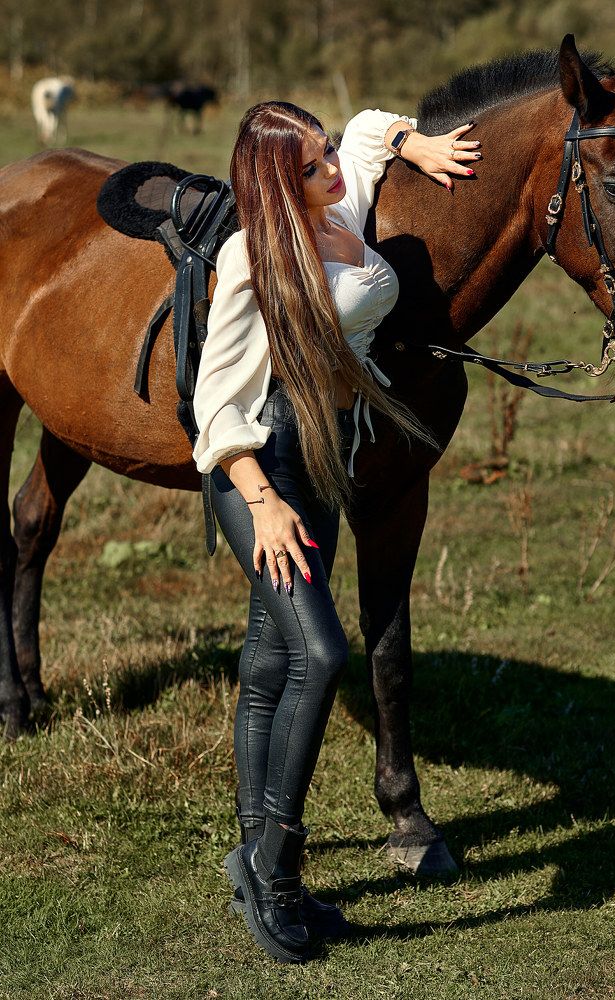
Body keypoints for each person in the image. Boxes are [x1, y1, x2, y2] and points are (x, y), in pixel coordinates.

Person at [191, 100, 481, 962]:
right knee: (320, 654)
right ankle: (277, 871)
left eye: (324, 158)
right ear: (283, 180)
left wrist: (411, 142)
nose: (334, 171)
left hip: (318, 455)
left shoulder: (336, 207)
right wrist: (260, 498)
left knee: (271, 658)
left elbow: (363, 126)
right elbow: (215, 398)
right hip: (259, 468)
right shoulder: (256, 257)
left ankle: (258, 864)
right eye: (313, 165)